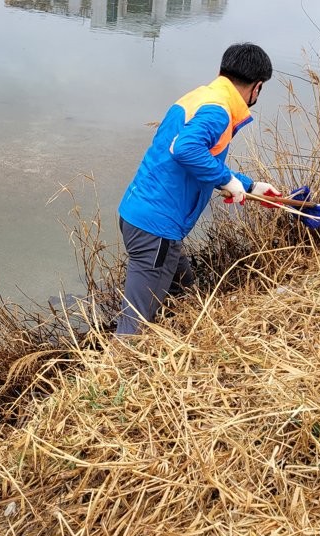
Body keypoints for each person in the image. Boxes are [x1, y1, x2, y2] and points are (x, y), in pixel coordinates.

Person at [115, 42, 280, 336]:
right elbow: (185, 149)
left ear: (222, 72)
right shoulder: (219, 112)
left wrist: (250, 185)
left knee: (184, 293)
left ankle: (179, 344)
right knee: (133, 327)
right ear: (257, 88)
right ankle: (114, 374)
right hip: (156, 229)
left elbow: (198, 157)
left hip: (139, 215)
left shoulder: (201, 98)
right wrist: (225, 181)